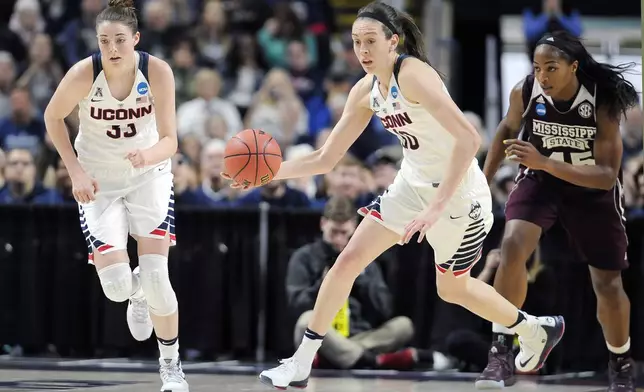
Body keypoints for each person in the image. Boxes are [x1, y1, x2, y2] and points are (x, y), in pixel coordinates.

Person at [221, 2, 565, 390]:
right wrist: (265, 173)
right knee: (347, 261)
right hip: (410, 185)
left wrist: (436, 209)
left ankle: (534, 328)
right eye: (355, 42)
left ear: (393, 42)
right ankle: (302, 361)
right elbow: (325, 158)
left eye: (370, 41)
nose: (362, 51)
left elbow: (470, 138)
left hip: (459, 196)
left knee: (451, 288)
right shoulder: (365, 90)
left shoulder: (413, 74)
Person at [479, 30, 639, 391]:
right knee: (512, 248)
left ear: (574, 66)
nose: (543, 76)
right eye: (537, 68)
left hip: (590, 190)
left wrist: (544, 161)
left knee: (608, 283)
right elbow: (507, 126)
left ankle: (621, 361)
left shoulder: (602, 100)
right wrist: (481, 180)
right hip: (541, 180)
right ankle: (501, 350)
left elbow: (605, 175)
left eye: (551, 67)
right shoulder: (525, 90)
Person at [43, 1, 188, 391]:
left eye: (120, 39)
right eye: (105, 40)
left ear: (136, 39)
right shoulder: (83, 74)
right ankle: (134, 292)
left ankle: (171, 367)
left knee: (159, 276)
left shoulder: (157, 71)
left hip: (148, 174)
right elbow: (52, 117)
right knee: (117, 287)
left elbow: (171, 139)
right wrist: (74, 170)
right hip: (99, 181)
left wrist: (148, 155)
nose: (112, 48)